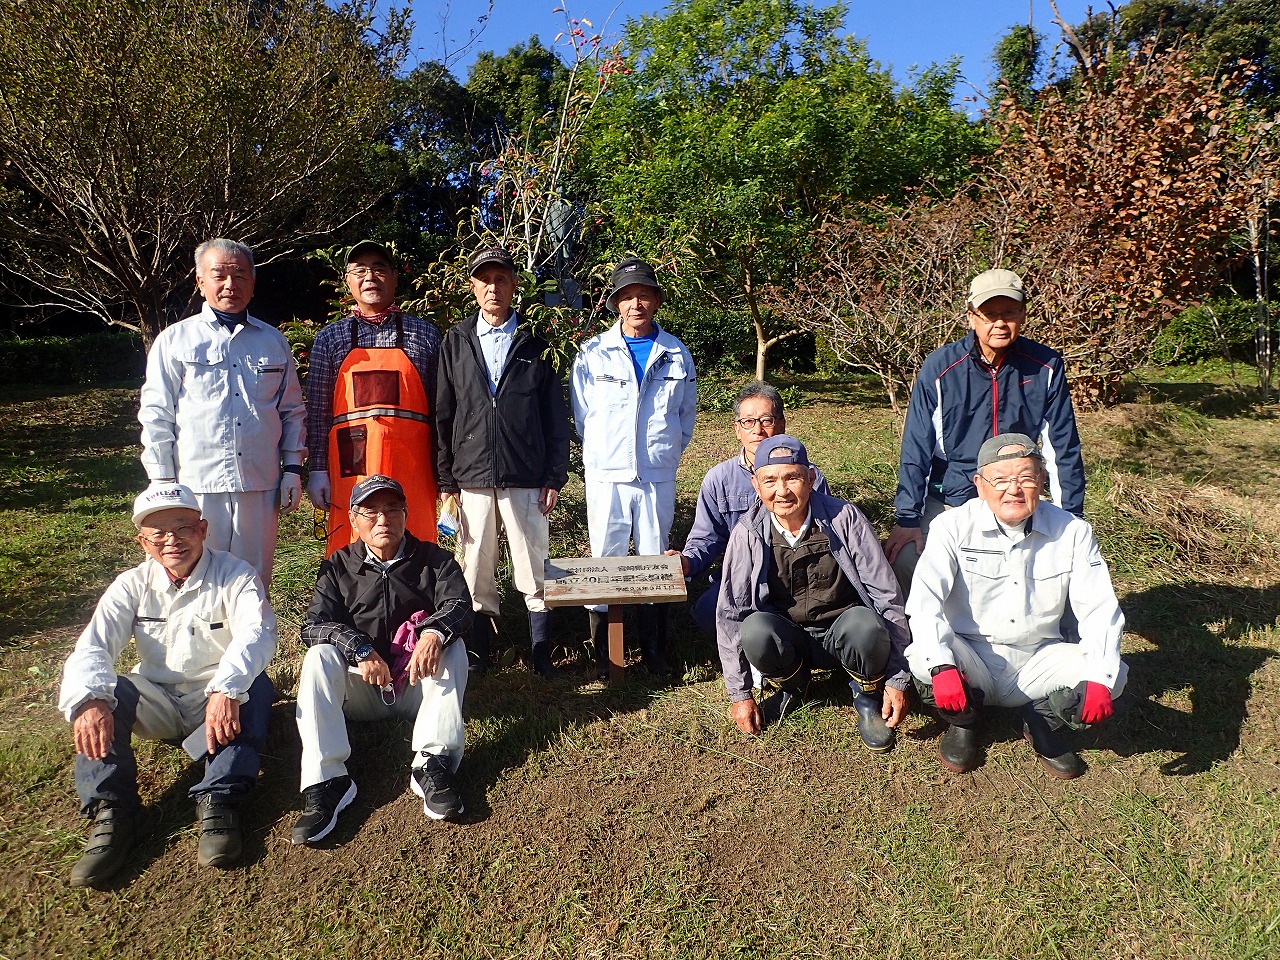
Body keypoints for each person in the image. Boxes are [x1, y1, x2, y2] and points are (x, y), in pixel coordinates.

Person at [58, 483, 278, 887]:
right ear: (143, 542)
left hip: (217, 696)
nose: (172, 541)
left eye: (183, 528)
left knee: (255, 685)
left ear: (203, 529)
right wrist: (88, 700)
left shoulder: (235, 574)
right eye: (158, 533)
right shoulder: (130, 585)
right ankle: (114, 811)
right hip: (157, 698)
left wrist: (226, 688)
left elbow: (257, 632)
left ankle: (219, 797)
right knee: (104, 693)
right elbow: (93, 646)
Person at [905, 434, 1127, 779]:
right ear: (979, 485)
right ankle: (964, 720)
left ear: (1042, 481)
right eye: (1000, 479)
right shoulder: (950, 527)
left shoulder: (1074, 532)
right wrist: (942, 666)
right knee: (924, 656)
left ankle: (1041, 719)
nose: (1014, 490)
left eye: (1026, 478)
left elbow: (1099, 608)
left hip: (1039, 658)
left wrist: (1099, 678)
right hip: (972, 656)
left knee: (1114, 673)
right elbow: (924, 601)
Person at [292, 474, 472, 844]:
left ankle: (432, 763)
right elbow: (312, 627)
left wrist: (433, 633)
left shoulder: (435, 560)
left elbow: (459, 606)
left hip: (417, 688)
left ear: (406, 514)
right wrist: (359, 648)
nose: (382, 519)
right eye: (370, 511)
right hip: (361, 691)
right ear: (354, 520)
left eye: (392, 509)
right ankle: (327, 781)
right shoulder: (337, 566)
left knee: (452, 646)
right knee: (319, 657)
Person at [884, 268, 1085, 591]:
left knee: (1055, 563)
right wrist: (908, 517)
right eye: (989, 314)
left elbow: (1062, 447)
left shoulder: (1045, 366)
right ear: (971, 316)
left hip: (1017, 493)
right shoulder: (941, 367)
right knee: (908, 559)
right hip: (952, 494)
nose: (1000, 323)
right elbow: (917, 446)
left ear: (1023, 314)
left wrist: (1071, 519)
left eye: (1009, 313)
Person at [715, 436, 912, 751]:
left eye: (792, 478)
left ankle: (867, 696)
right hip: (789, 637)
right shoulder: (747, 532)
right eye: (770, 481)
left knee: (866, 626)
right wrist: (740, 695)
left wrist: (896, 678)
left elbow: (887, 597)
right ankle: (795, 687)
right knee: (754, 630)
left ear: (810, 478)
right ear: (756, 484)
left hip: (844, 632)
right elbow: (730, 614)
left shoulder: (844, 518)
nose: (782, 491)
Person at [434, 245, 571, 677]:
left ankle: (541, 651)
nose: (492, 287)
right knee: (474, 566)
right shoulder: (456, 341)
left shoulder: (535, 343)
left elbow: (555, 416)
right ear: (472, 287)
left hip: (526, 475)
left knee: (534, 563)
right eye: (484, 280)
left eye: (501, 279)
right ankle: (479, 653)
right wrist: (446, 480)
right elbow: (443, 413)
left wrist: (554, 475)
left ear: (513, 285)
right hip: (471, 476)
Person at [138, 239, 305, 589]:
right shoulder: (175, 341)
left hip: (259, 484)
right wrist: (162, 480)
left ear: (253, 283)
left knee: (252, 581)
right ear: (201, 282)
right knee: (192, 576)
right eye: (220, 276)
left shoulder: (273, 341)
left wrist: (292, 469)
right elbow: (156, 414)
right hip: (195, 483)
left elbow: (291, 411)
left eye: (240, 276)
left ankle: (251, 627)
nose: (231, 285)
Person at [570, 257, 697, 679]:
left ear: (656, 301)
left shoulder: (676, 352)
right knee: (604, 557)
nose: (635, 304)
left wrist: (666, 451)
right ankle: (605, 653)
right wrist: (606, 452)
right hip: (606, 474)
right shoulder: (593, 352)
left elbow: (685, 414)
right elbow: (583, 413)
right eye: (627, 297)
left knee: (655, 560)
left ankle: (655, 650)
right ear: (615, 303)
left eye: (643, 295)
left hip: (657, 473)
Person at [305, 240, 442, 554]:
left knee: (417, 542)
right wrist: (318, 471)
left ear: (394, 277)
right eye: (360, 270)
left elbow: (441, 411)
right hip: (351, 466)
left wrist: (444, 475)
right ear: (348, 280)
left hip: (414, 463)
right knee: (350, 543)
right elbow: (318, 413)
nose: (370, 277)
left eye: (379, 269)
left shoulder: (425, 335)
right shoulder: (330, 338)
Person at [668, 381, 829, 634]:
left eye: (766, 420)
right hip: (743, 576)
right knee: (709, 611)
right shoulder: (719, 479)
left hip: (799, 576)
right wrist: (687, 561)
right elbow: (706, 538)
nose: (758, 430)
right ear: (737, 429)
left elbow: (825, 535)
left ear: (782, 425)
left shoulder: (809, 477)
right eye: (748, 422)